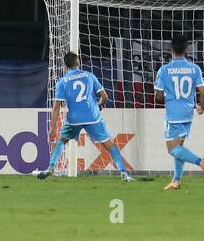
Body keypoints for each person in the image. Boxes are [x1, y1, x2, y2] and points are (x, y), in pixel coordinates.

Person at [35, 52, 134, 181]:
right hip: (93, 117)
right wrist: (99, 105)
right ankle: (123, 173)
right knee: (111, 146)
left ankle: (51, 167)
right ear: (78, 62)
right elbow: (105, 97)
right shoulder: (89, 76)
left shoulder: (62, 82)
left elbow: (56, 107)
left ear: (66, 66)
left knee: (61, 141)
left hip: (74, 120)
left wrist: (52, 128)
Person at [154, 35, 204, 190]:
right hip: (188, 113)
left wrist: (163, 91)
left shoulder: (164, 70)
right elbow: (203, 92)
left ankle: (201, 163)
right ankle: (176, 181)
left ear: (171, 50)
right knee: (179, 147)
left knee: (172, 150)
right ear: (186, 50)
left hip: (173, 114)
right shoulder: (195, 69)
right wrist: (202, 107)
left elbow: (158, 96)